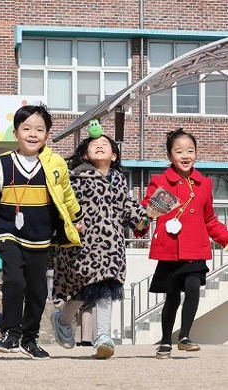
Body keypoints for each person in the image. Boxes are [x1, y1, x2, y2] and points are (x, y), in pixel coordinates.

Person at [0, 104, 83, 360]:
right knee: (14, 280)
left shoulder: (55, 164)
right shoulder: (2, 164)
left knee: (38, 291)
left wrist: (77, 219)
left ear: (47, 134)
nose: (32, 134)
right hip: (9, 234)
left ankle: (30, 338)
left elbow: (67, 197)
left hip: (40, 237)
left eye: (39, 129)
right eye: (26, 128)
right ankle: (11, 334)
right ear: (15, 132)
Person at [49, 130, 148, 359]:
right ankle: (62, 319)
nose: (100, 145)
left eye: (105, 144)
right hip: (84, 245)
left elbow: (127, 206)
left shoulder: (119, 179)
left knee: (106, 287)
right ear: (85, 154)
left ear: (114, 155)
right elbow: (65, 205)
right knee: (82, 291)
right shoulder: (76, 178)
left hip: (112, 246)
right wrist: (72, 224)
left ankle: (103, 337)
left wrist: (142, 218)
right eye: (95, 144)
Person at [137, 128, 228, 359]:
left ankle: (185, 336)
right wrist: (141, 225)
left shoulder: (205, 184)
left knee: (192, 286)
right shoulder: (160, 182)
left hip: (195, 248)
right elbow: (148, 213)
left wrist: (226, 239)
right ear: (170, 156)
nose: (185, 155)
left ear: (196, 153)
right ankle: (166, 341)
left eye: (190, 150)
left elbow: (209, 219)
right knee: (172, 296)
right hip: (169, 249)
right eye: (179, 151)